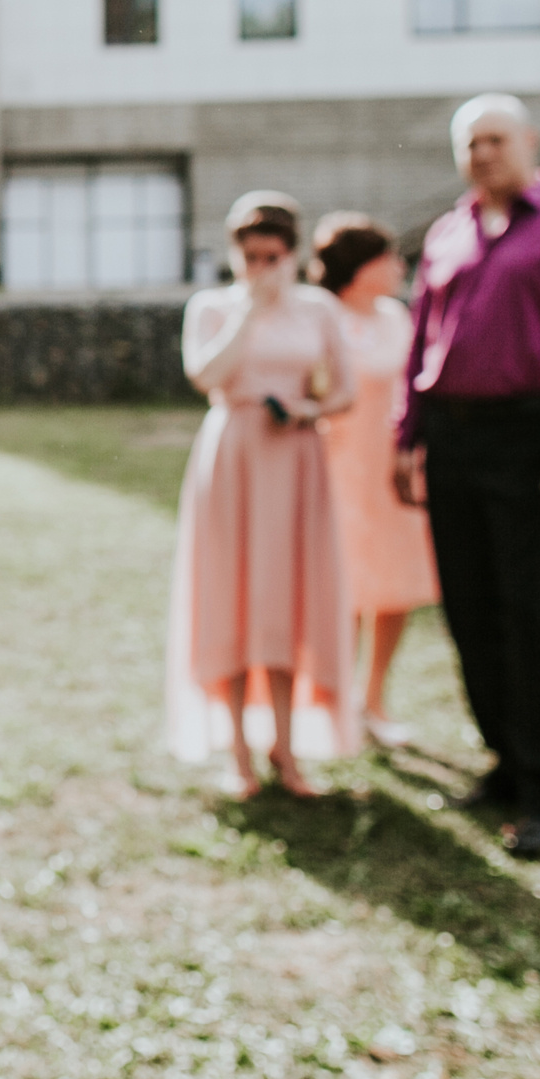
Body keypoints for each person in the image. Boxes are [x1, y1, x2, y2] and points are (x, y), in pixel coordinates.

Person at [393, 94, 540, 859]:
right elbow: (419, 339)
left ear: (529, 143)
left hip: (530, 434)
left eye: (497, 139)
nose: (484, 154)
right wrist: (407, 435)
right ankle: (503, 759)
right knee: (468, 607)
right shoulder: (447, 232)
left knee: (525, 610)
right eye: (471, 143)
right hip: (450, 438)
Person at [168, 191, 360, 794]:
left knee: (286, 595)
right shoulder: (212, 306)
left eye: (272, 255)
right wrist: (248, 311)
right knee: (228, 592)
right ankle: (238, 752)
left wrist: (307, 408)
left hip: (296, 454)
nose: (261, 266)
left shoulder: (320, 309)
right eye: (250, 255)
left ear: (293, 253)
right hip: (231, 456)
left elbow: (346, 391)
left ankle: (286, 746)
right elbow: (204, 376)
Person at [311, 213, 438, 748]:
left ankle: (375, 697)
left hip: (394, 467)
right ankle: (332, 700)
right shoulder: (320, 316)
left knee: (394, 584)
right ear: (361, 268)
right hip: (334, 464)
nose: (399, 267)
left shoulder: (397, 317)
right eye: (388, 258)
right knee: (342, 585)